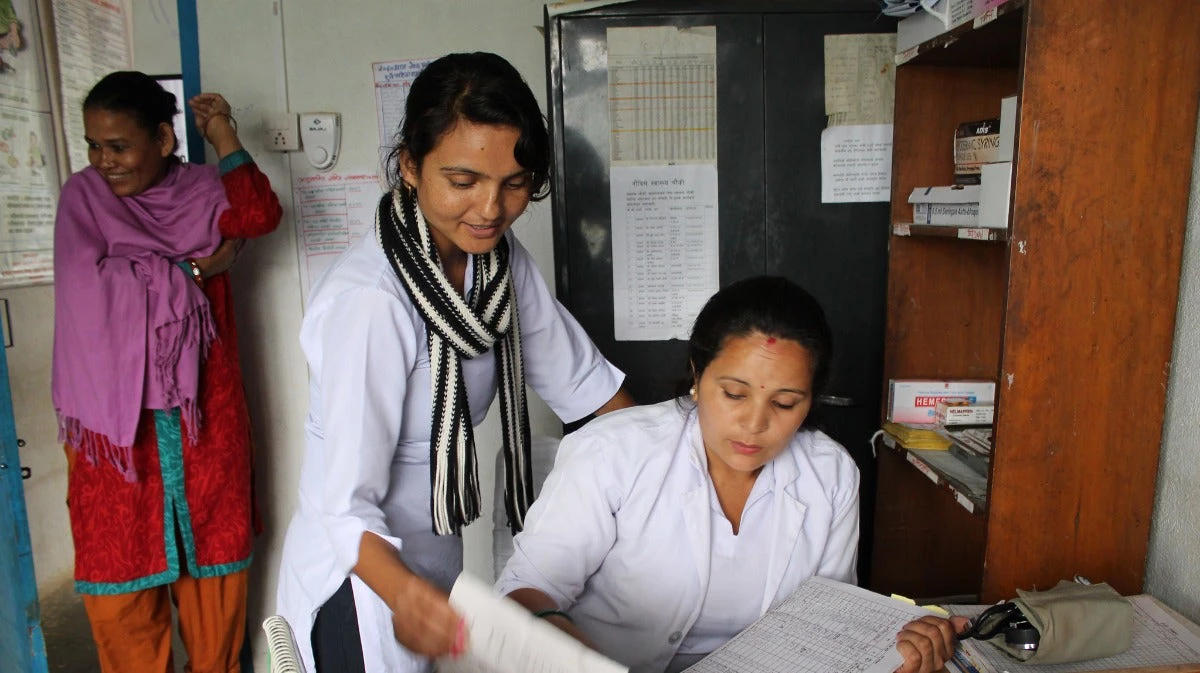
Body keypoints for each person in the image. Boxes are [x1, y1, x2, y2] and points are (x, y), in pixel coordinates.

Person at [275, 51, 635, 673]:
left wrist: (673, 478)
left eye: (515, 183)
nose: (491, 208)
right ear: (411, 166)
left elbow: (590, 392)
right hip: (360, 580)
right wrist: (407, 595)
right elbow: (343, 507)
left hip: (435, 566)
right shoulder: (372, 302)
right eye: (464, 181)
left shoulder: (497, 264)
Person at [497, 276, 968, 673]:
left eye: (785, 403)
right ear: (697, 376)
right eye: (735, 394)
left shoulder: (830, 475)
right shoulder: (613, 452)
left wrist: (894, 651)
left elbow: (829, 630)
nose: (755, 423)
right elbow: (524, 593)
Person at [51, 71, 281, 673]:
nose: (104, 162)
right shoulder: (82, 200)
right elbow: (85, 292)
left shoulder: (206, 191)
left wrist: (224, 132)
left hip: (204, 419)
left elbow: (259, 213)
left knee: (216, 611)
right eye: (94, 146)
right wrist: (192, 274)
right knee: (121, 604)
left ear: (161, 137)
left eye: (119, 146)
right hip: (115, 438)